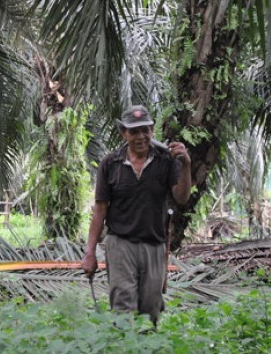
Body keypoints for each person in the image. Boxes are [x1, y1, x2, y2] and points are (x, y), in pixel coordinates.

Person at [82, 105, 191, 326]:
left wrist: (186, 165)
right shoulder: (110, 164)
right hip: (120, 243)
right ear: (123, 133)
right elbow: (100, 210)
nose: (141, 137)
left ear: (152, 130)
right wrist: (90, 252)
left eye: (145, 130)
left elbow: (181, 198)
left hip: (154, 244)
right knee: (123, 306)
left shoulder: (165, 161)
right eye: (134, 131)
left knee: (150, 309)